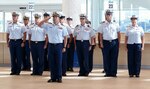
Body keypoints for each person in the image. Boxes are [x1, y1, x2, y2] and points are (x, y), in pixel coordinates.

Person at [45, 12, 68, 83]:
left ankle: (59, 77)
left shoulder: (62, 27)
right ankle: (53, 78)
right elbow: (39, 24)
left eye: (56, 17)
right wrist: (48, 18)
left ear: (59, 18)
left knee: (58, 62)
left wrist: (64, 46)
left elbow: (65, 37)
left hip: (59, 46)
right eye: (53, 17)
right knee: (51, 62)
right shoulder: (49, 26)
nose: (55, 18)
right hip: (51, 45)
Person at [97, 9, 121, 77]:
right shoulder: (102, 24)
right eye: (108, 14)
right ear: (105, 16)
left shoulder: (116, 24)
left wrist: (118, 43)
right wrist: (101, 43)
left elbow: (118, 34)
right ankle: (107, 72)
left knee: (114, 58)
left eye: (110, 14)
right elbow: (100, 34)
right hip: (106, 42)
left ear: (112, 15)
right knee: (106, 58)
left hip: (114, 42)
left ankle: (113, 72)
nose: (109, 16)